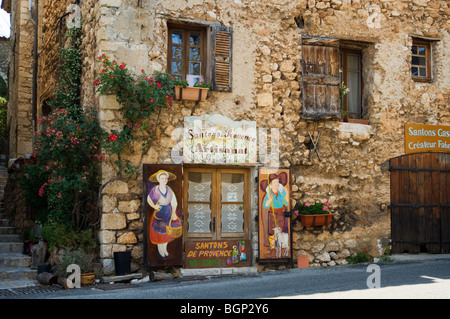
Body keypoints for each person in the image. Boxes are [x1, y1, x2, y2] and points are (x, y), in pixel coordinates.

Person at [147, 170, 181, 257]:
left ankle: (165, 250)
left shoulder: (169, 190)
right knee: (159, 232)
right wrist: (154, 207)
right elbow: (149, 199)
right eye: (162, 178)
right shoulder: (155, 190)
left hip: (168, 213)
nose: (164, 180)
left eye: (165, 178)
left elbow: (174, 202)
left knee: (167, 232)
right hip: (159, 213)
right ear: (159, 179)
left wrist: (174, 213)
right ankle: (161, 251)